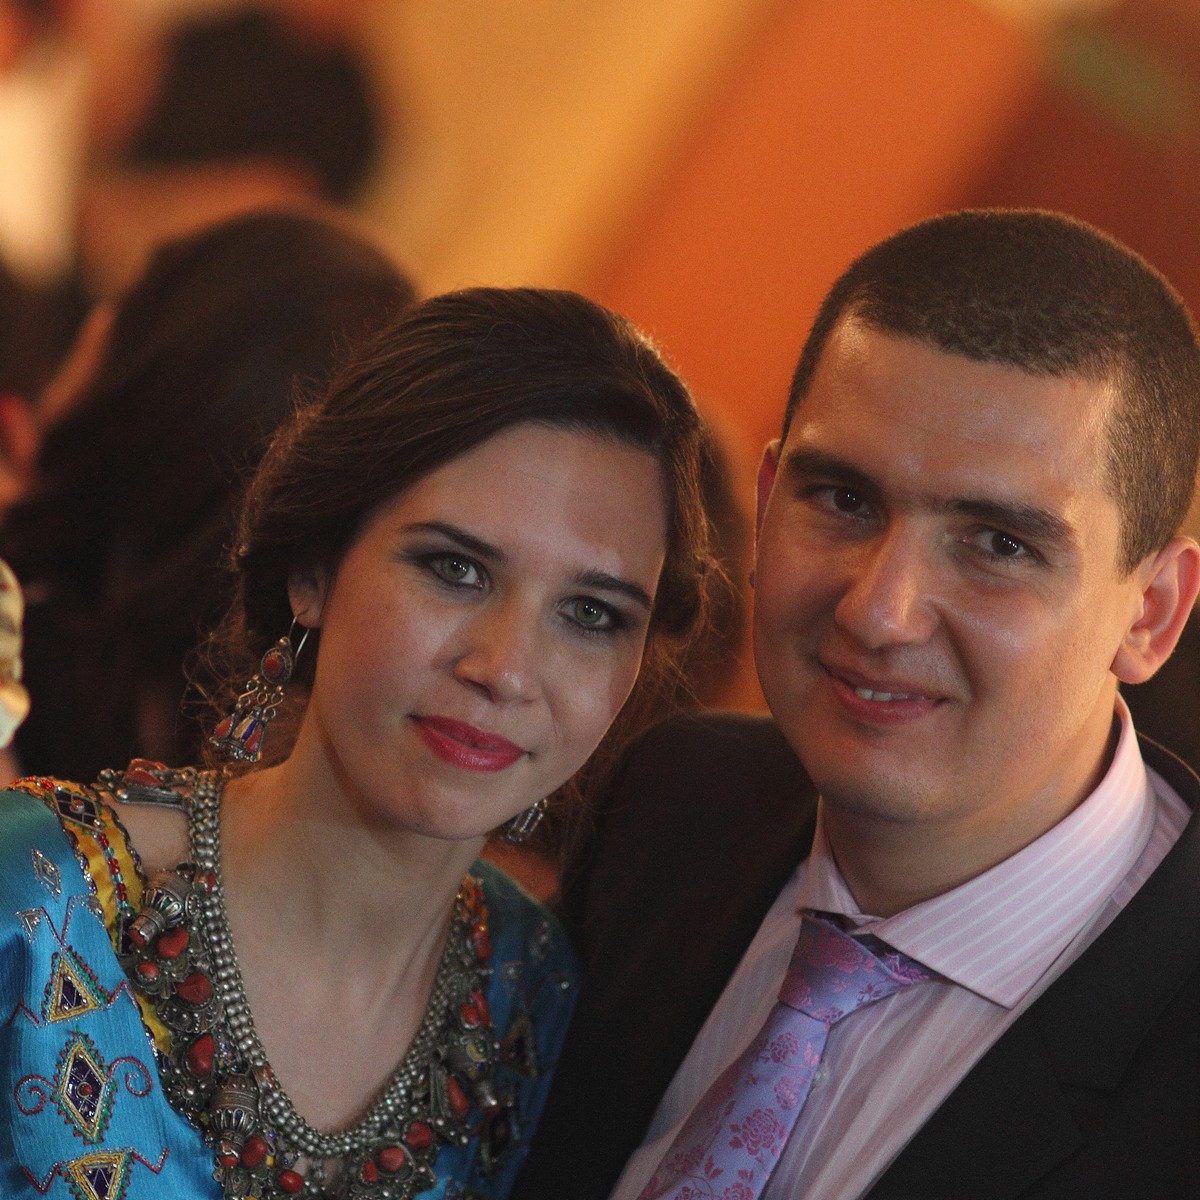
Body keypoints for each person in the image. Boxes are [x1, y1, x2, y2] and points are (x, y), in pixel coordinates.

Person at [511, 209, 1200, 1200]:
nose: (879, 611)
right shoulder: (672, 804)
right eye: (843, 500)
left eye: (999, 544)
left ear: (1152, 612)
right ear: (766, 499)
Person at [0, 285, 715, 1198]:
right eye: (454, 568)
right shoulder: (32, 903)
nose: (506, 669)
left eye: (591, 614)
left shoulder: (541, 1008)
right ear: (313, 571)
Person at [0, 207, 414, 782]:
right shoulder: (242, 766)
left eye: (135, 300)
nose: (96, 321)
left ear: (158, 377)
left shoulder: (27, 642)